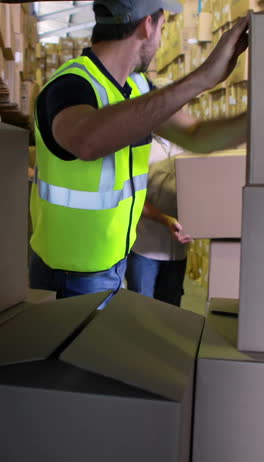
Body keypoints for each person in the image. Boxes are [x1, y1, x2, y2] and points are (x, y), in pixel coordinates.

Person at [29, 0, 248, 306]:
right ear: (148, 25)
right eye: (163, 27)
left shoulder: (137, 86)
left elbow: (196, 136)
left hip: (112, 263)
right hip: (71, 274)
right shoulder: (71, 85)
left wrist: (256, 120)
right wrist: (202, 78)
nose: (160, 41)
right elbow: (87, 141)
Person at [126, 134, 190, 306]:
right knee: (140, 308)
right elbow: (134, 198)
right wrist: (165, 220)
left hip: (178, 250)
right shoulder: (140, 144)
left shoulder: (190, 145)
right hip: (145, 249)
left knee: (170, 310)